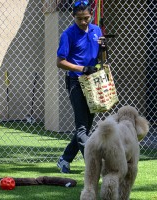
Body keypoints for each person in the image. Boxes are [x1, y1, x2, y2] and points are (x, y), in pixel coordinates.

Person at [56, 0, 105, 173]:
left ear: (91, 15)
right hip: (76, 81)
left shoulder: (96, 30)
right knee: (82, 127)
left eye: (86, 18)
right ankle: (94, 166)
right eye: (80, 19)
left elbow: (100, 57)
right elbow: (60, 62)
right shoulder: (68, 35)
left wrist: (103, 49)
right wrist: (82, 68)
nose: (84, 22)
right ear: (73, 17)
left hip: (93, 81)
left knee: (85, 126)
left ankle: (65, 159)